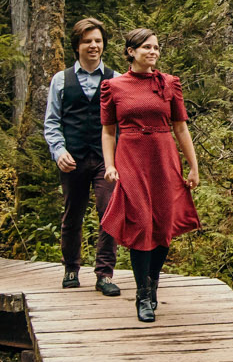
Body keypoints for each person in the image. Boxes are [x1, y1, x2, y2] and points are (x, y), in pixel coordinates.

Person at [100, 28, 201, 322]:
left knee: (163, 225)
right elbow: (108, 132)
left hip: (164, 157)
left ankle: (153, 283)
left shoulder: (169, 83)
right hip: (131, 158)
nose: (153, 52)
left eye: (156, 47)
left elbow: (181, 128)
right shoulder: (113, 87)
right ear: (131, 52)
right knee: (141, 223)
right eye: (146, 47)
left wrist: (193, 166)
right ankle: (142, 296)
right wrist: (109, 165)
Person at [42, 17, 121, 297]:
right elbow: (52, 122)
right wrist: (59, 150)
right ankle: (71, 268)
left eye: (98, 41)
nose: (93, 46)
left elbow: (121, 123)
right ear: (77, 46)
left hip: (105, 160)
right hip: (72, 157)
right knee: (72, 215)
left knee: (109, 213)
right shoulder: (61, 80)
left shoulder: (115, 79)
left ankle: (104, 274)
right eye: (87, 41)